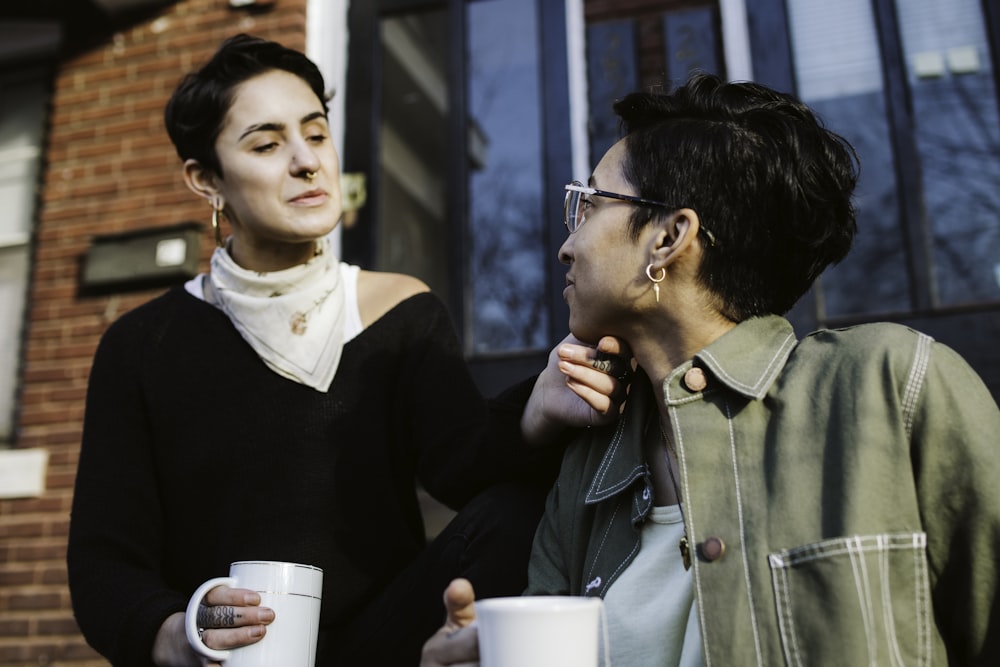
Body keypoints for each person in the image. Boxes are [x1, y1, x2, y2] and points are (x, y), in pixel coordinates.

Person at [66, 34, 629, 667]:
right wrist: (181, 634)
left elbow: (462, 465)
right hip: (232, 659)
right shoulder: (143, 345)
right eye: (267, 143)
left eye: (316, 132)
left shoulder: (399, 309)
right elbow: (104, 563)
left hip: (381, 645)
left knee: (509, 512)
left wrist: (540, 405)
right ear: (207, 179)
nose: (307, 161)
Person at [422, 73, 1000, 666]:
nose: (567, 244)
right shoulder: (587, 472)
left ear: (668, 239)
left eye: (590, 205)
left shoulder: (889, 386)